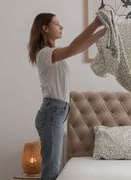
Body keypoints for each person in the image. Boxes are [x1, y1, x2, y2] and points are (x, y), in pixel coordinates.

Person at [28, 13, 106, 180]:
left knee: (54, 166)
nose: (61, 26)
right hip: (51, 112)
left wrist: (102, 32)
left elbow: (78, 48)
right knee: (51, 168)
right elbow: (72, 48)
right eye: (57, 23)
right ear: (45, 28)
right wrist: (94, 25)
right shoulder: (45, 53)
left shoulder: (53, 54)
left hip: (56, 112)